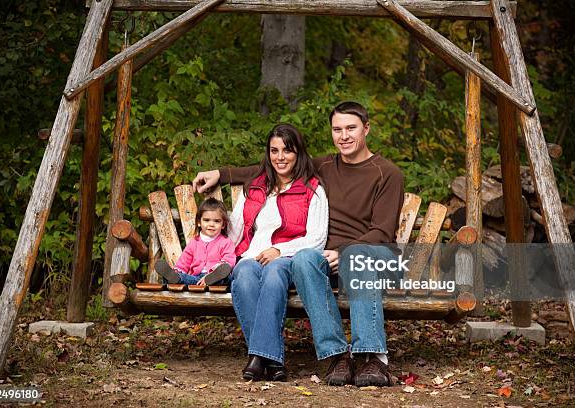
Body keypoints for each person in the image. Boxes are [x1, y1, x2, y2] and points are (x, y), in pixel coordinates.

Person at [193, 102, 404, 387]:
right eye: (337, 129)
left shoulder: (387, 173)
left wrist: (344, 252)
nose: (344, 136)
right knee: (304, 258)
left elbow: (383, 231)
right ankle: (337, 355)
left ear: (366, 129)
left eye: (351, 128)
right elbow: (277, 165)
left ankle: (373, 358)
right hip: (323, 256)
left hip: (369, 251)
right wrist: (222, 173)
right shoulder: (325, 165)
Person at [224, 123, 328, 382]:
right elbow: (235, 230)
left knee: (273, 273)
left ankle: (257, 358)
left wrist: (279, 249)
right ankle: (271, 359)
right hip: (251, 256)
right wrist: (221, 258)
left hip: (288, 258)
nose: (280, 157)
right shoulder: (255, 187)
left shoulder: (312, 189)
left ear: (298, 153)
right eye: (274, 150)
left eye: (287, 150)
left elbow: (316, 239)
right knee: (244, 275)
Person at [154, 198, 236, 287]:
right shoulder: (194, 243)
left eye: (216, 221)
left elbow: (228, 261)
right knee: (184, 278)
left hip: (217, 278)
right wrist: (177, 271)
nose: (211, 224)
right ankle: (174, 278)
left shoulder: (226, 242)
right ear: (199, 222)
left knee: (226, 278)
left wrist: (213, 273)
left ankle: (213, 278)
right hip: (197, 279)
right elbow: (183, 262)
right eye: (207, 220)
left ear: (223, 225)